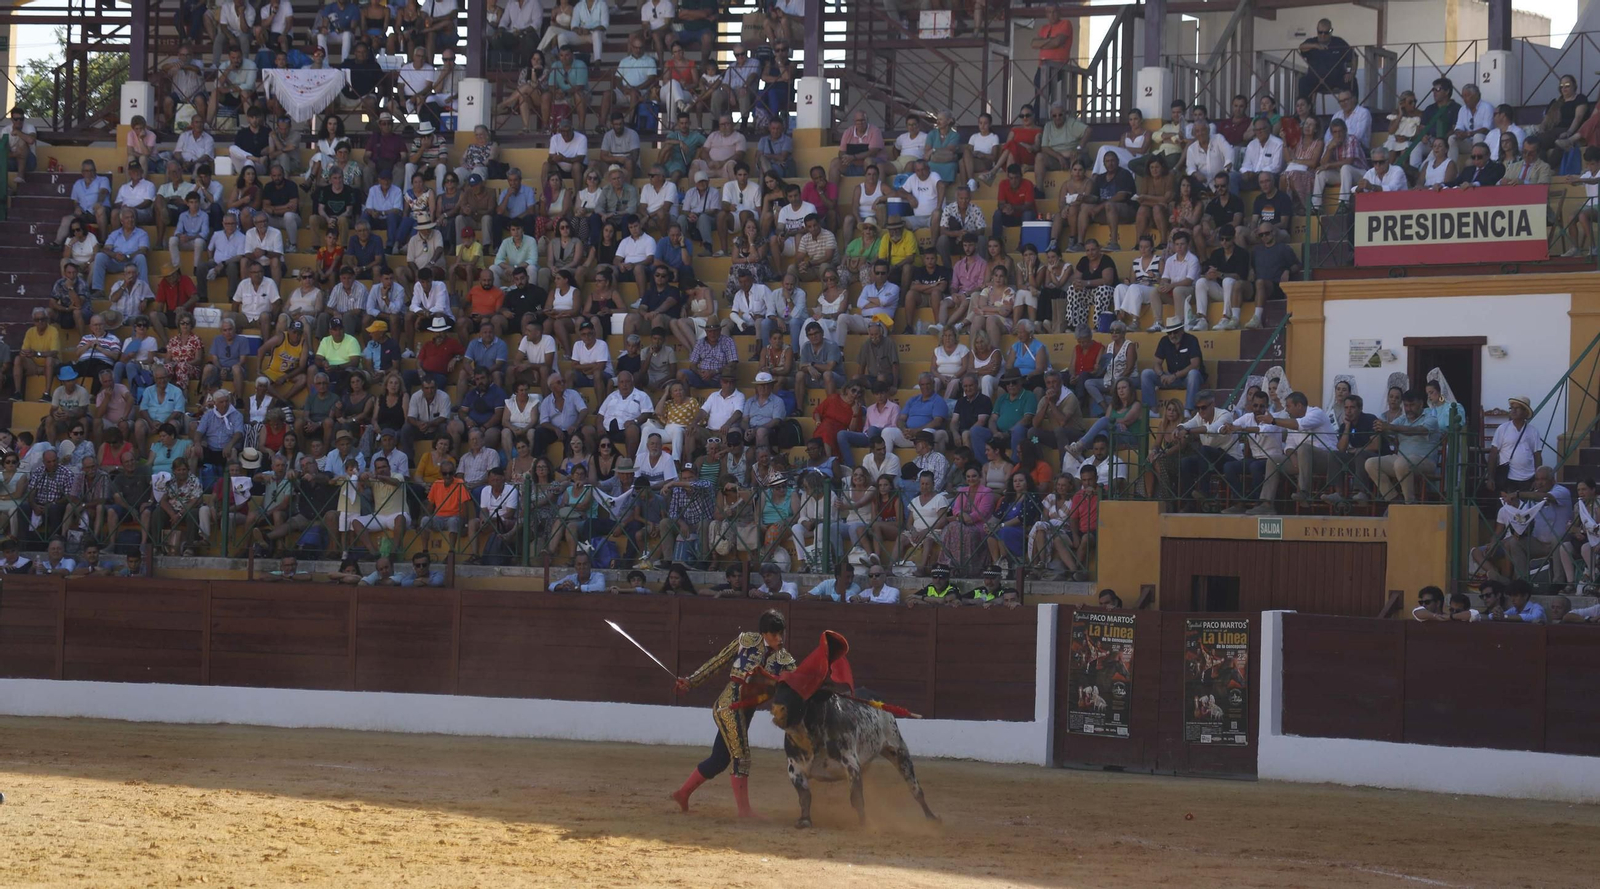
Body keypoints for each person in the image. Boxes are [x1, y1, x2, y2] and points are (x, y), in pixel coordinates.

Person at [670, 610, 793, 817]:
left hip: (746, 710)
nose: (779, 639)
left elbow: (796, 681)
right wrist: (691, 681)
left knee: (718, 760)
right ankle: (744, 812)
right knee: (741, 757)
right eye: (774, 634)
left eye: (782, 634)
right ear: (763, 633)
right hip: (729, 705)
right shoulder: (746, 640)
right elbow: (718, 661)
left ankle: (682, 793)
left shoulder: (784, 659)